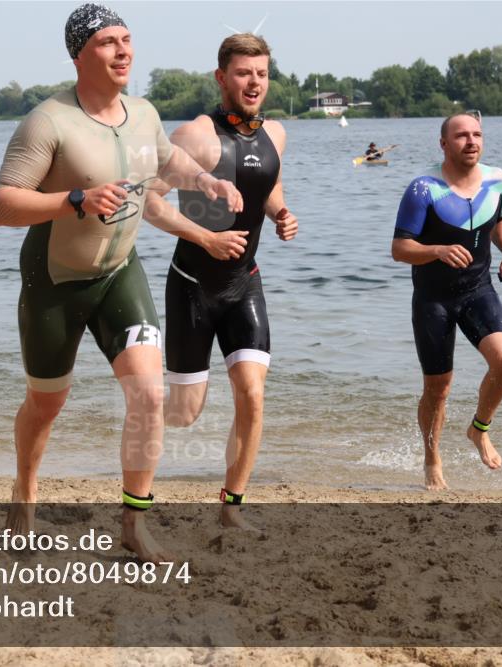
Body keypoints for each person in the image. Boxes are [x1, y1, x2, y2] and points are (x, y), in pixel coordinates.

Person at [0, 3, 242, 561]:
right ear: (80, 54)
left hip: (119, 274)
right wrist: (74, 199)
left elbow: (166, 162)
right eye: (109, 42)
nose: (124, 51)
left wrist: (205, 180)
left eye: (128, 40)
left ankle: (134, 524)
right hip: (55, 280)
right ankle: (25, 491)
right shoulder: (47, 122)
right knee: (46, 404)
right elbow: (2, 206)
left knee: (151, 394)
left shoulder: (144, 112)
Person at [143, 33, 297, 530]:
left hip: (244, 282)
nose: (255, 83)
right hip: (193, 283)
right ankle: (141, 414)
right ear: (221, 77)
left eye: (262, 73)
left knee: (252, 394)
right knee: (184, 413)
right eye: (244, 73)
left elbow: (267, 182)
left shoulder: (275, 132)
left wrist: (280, 213)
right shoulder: (195, 136)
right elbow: (148, 200)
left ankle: (232, 507)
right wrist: (205, 239)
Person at [391, 111, 502, 491]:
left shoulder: (498, 180)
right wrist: (436, 250)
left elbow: (500, 218)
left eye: (477, 134)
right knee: (438, 388)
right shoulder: (423, 189)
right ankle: (432, 456)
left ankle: (479, 428)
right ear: (444, 144)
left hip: (478, 290)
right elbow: (399, 249)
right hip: (433, 300)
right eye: (461, 135)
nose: (471, 141)